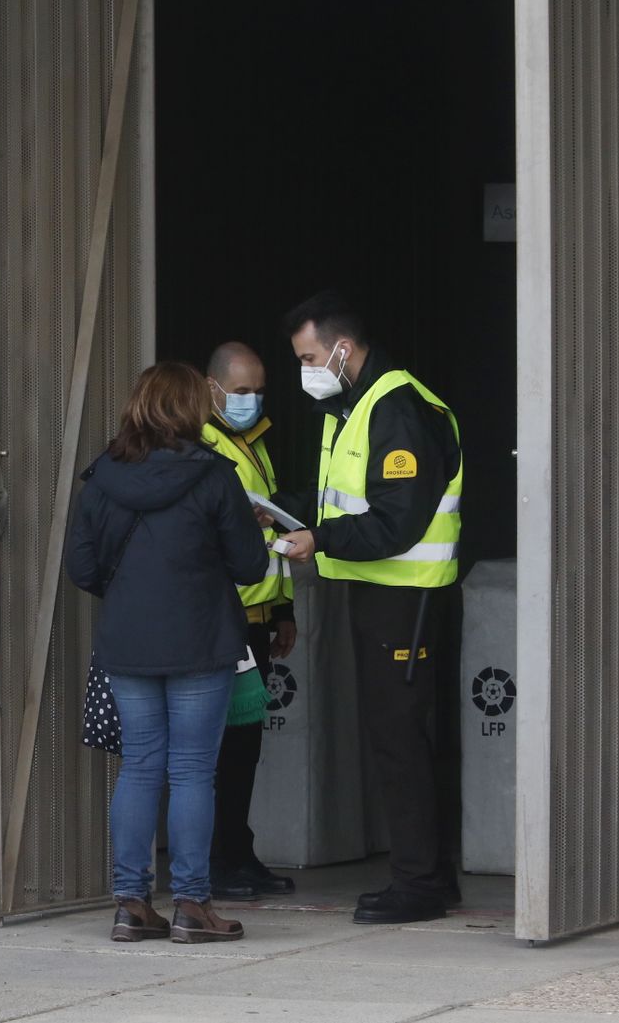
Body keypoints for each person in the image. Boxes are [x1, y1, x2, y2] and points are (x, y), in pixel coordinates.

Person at [274, 290, 463, 925]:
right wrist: (285, 510)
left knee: (400, 739)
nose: (305, 369)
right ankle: (430, 877)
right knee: (402, 735)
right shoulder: (354, 408)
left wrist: (320, 540)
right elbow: (340, 501)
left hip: (405, 596)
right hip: (381, 594)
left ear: (342, 348)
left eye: (308, 356)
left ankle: (418, 885)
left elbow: (396, 521)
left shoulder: (396, 409)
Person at [66, 361, 268, 945]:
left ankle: (131, 904)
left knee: (141, 766)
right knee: (191, 772)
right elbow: (251, 566)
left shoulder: (102, 475)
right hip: (200, 640)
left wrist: (131, 594)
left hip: (127, 640)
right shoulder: (213, 475)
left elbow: (82, 567)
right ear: (192, 409)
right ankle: (191, 905)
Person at [201, 342, 299, 901]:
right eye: (240, 392)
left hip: (257, 617)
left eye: (258, 389)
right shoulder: (202, 444)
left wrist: (283, 609)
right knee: (224, 750)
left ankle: (240, 853)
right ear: (212, 389)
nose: (251, 400)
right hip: (225, 620)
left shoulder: (252, 442)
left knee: (245, 747)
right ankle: (220, 863)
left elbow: (269, 533)